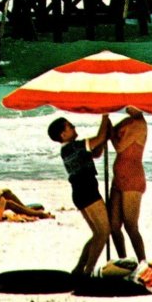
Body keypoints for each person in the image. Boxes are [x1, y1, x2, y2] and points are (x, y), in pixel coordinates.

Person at [49, 115, 112, 277]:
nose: (74, 127)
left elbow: (96, 152)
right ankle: (88, 271)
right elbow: (99, 138)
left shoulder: (70, 149)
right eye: (70, 126)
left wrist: (104, 136)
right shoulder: (73, 147)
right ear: (63, 134)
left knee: (98, 234)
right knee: (104, 232)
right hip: (87, 191)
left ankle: (79, 269)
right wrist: (105, 115)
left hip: (81, 192)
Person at [108, 106, 148, 262]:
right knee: (113, 226)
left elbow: (119, 146)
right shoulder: (128, 121)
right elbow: (110, 133)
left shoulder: (139, 124)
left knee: (131, 226)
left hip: (132, 177)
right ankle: (123, 261)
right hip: (119, 177)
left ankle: (142, 262)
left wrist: (109, 128)